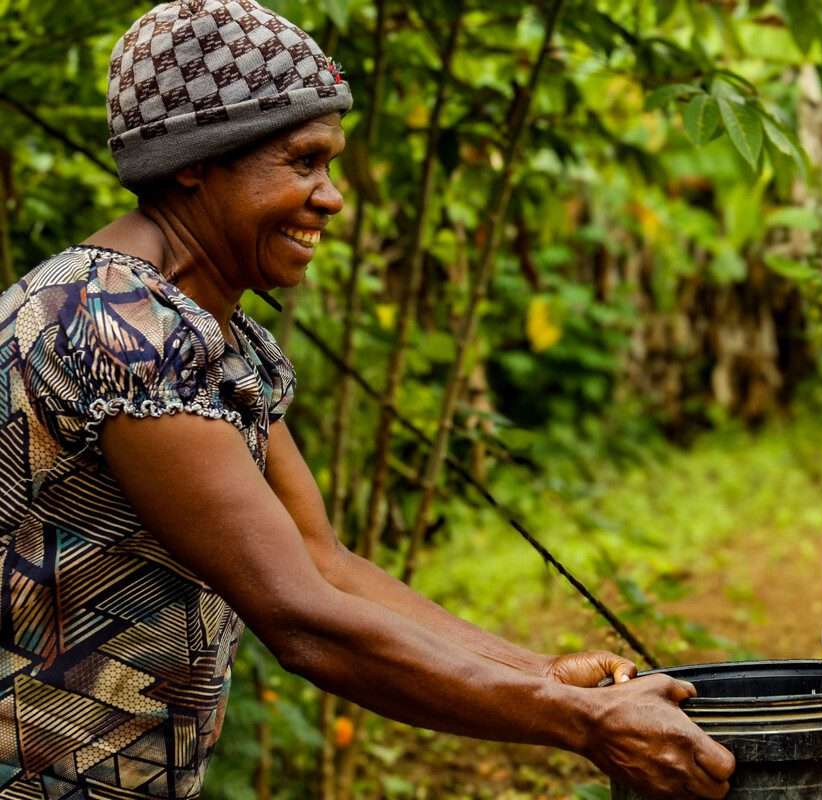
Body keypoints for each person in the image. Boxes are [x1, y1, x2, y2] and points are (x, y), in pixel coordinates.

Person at [0, 1, 735, 798]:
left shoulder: (213, 336)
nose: (332, 197)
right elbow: (302, 620)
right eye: (303, 162)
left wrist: (546, 676)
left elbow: (323, 562)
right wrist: (581, 724)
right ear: (195, 161)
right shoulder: (115, 329)